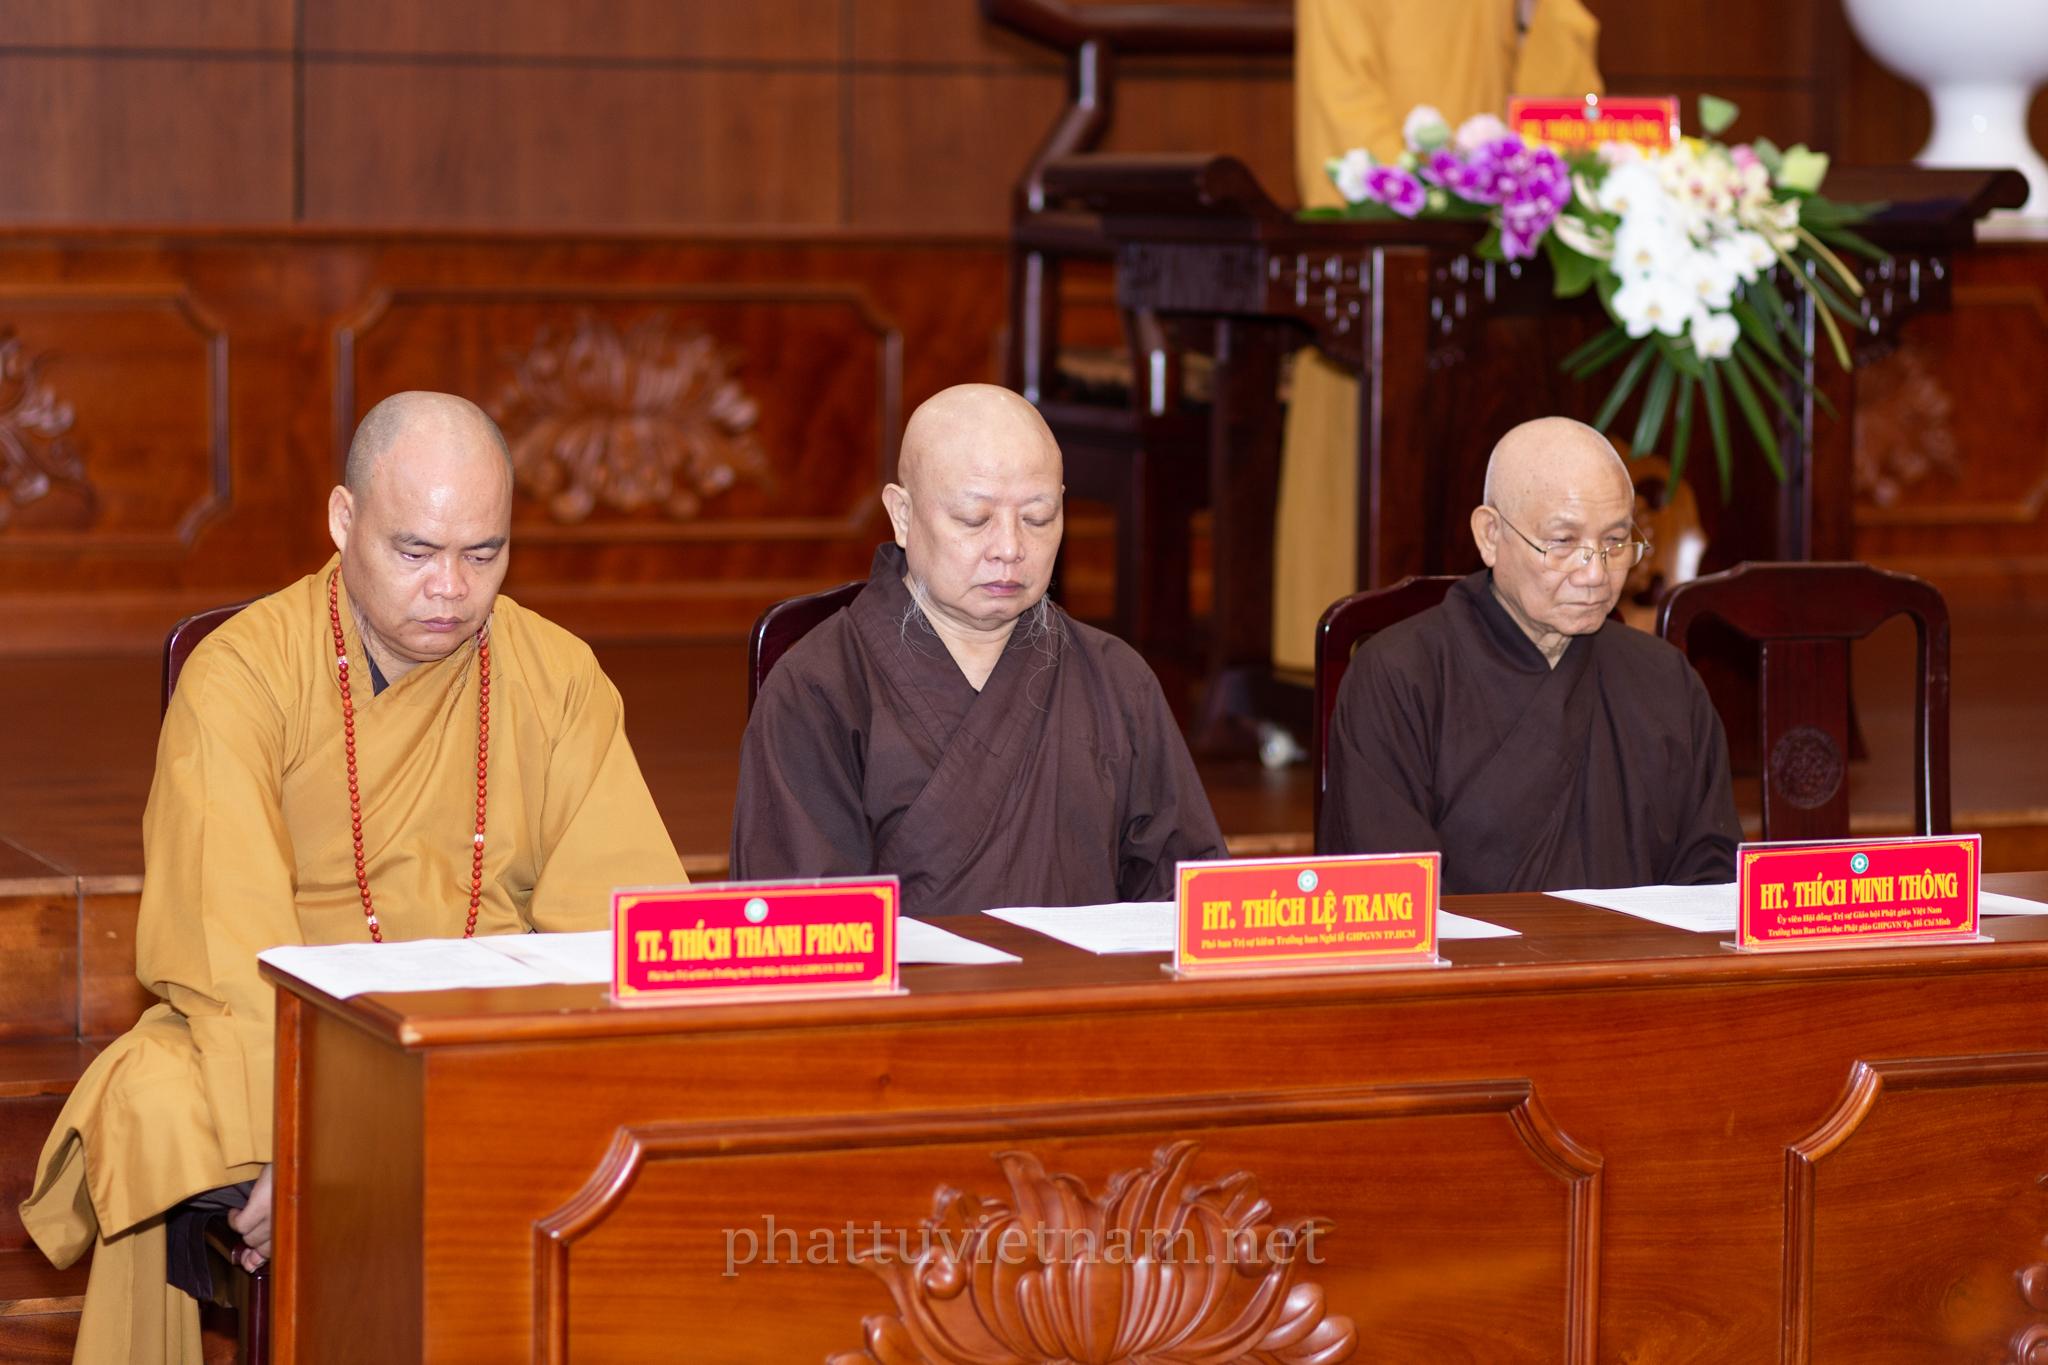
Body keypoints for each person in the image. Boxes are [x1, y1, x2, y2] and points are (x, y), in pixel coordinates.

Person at [19, 392, 684, 1363]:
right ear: (343, 520)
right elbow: (224, 935)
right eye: (415, 551)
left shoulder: (557, 675)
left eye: (484, 553)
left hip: (484, 1043)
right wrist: (298, 1146)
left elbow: (626, 924)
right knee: (154, 1105)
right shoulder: (244, 675)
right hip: (299, 1039)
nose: (451, 589)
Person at [731, 383, 1226, 915]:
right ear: (902, 515)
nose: (1010, 548)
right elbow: (803, 927)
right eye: (974, 518)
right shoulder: (818, 688)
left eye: (1038, 518)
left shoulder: (1117, 678)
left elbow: (1189, 904)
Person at [1275, 0, 1604, 673]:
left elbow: (1569, 129)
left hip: (1510, 311)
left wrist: (1532, 17)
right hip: (1389, 304)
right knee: (1374, 604)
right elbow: (1345, 149)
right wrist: (1459, 189)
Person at [1321, 417, 1740, 892]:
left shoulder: (1666, 680)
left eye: (1614, 541)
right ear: (1490, 535)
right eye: (1562, 542)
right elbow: (1387, 897)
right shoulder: (1398, 678)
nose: (1595, 575)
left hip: (1637, 945)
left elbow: (1713, 879)